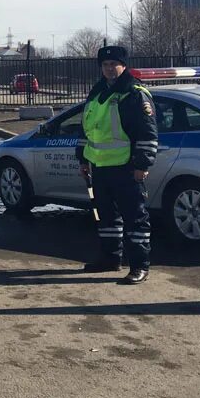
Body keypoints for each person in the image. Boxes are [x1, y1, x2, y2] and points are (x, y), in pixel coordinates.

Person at [75, 45, 157, 285]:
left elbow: (147, 132)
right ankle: (110, 259)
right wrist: (82, 158)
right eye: (105, 65)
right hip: (99, 167)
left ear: (123, 66)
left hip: (126, 167)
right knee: (106, 218)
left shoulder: (134, 93)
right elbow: (87, 128)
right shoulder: (97, 92)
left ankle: (140, 266)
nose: (109, 69)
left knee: (135, 218)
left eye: (114, 64)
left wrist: (142, 164)